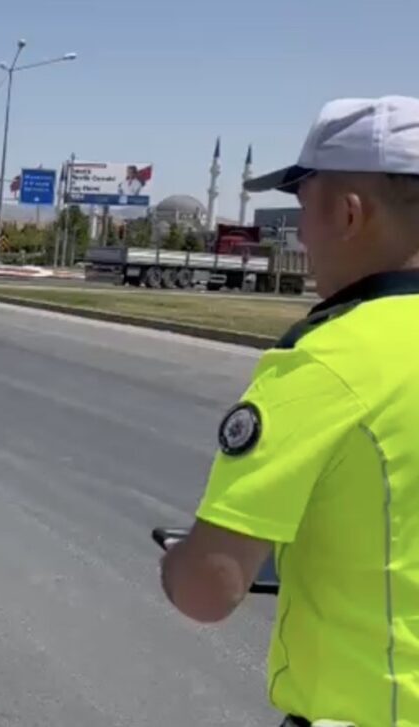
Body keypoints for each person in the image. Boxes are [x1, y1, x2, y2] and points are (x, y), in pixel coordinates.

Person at [159, 96, 419, 726]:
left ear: (348, 213)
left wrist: (178, 564)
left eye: (304, 208)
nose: (302, 235)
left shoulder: (326, 361)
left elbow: (209, 589)